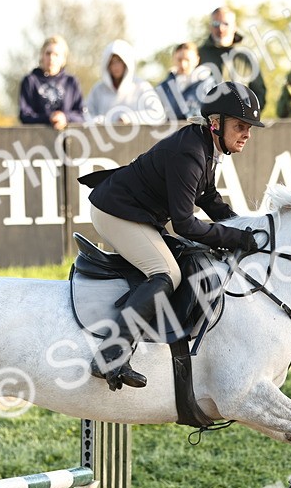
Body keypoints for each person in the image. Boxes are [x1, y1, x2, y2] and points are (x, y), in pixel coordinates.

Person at [80, 81, 265, 391]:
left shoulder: (205, 146)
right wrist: (234, 238)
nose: (247, 134)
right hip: (114, 212)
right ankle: (110, 356)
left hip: (134, 212)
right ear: (215, 123)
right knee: (166, 273)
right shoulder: (189, 152)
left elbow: (208, 197)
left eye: (249, 128)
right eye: (240, 126)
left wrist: (243, 227)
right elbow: (185, 225)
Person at [197, 7, 266, 109]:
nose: (220, 28)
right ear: (210, 27)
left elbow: (259, 93)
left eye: (226, 24)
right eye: (216, 24)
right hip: (206, 116)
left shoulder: (246, 56)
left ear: (234, 27)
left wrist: (247, 115)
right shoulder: (198, 54)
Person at [84, 39, 164, 125]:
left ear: (126, 63)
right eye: (111, 62)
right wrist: (98, 121)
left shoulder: (141, 87)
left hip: (136, 133)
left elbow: (158, 114)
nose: (115, 66)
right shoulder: (98, 90)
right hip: (103, 133)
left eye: (119, 61)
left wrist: (130, 118)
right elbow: (86, 114)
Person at [18, 35, 84, 130]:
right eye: (48, 53)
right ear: (42, 55)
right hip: (37, 136)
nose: (51, 58)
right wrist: (49, 118)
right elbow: (25, 115)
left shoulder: (71, 82)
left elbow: (81, 115)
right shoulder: (30, 81)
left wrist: (65, 118)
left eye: (56, 54)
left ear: (63, 58)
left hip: (68, 136)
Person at [157, 42, 206, 120]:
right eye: (179, 60)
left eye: (187, 60)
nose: (183, 64)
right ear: (173, 59)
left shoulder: (208, 86)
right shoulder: (163, 87)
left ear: (197, 60)